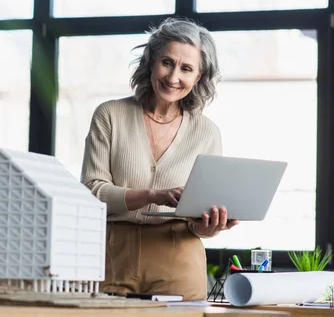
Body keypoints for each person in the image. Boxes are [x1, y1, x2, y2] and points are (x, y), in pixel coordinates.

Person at [80, 17, 239, 300]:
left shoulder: (207, 132)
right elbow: (92, 191)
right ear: (151, 61)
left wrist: (208, 226)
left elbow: (199, 216)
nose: (173, 77)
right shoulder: (109, 115)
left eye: (186, 68)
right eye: (167, 62)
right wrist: (154, 195)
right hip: (111, 254)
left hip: (179, 256)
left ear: (198, 77)